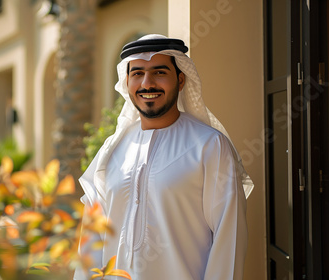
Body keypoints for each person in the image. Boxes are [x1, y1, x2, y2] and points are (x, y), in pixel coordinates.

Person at [74, 34, 254, 280]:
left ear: (180, 80)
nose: (147, 83)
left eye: (159, 72)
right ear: (127, 82)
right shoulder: (111, 150)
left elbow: (228, 238)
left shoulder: (209, 146)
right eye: (137, 73)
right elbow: (92, 239)